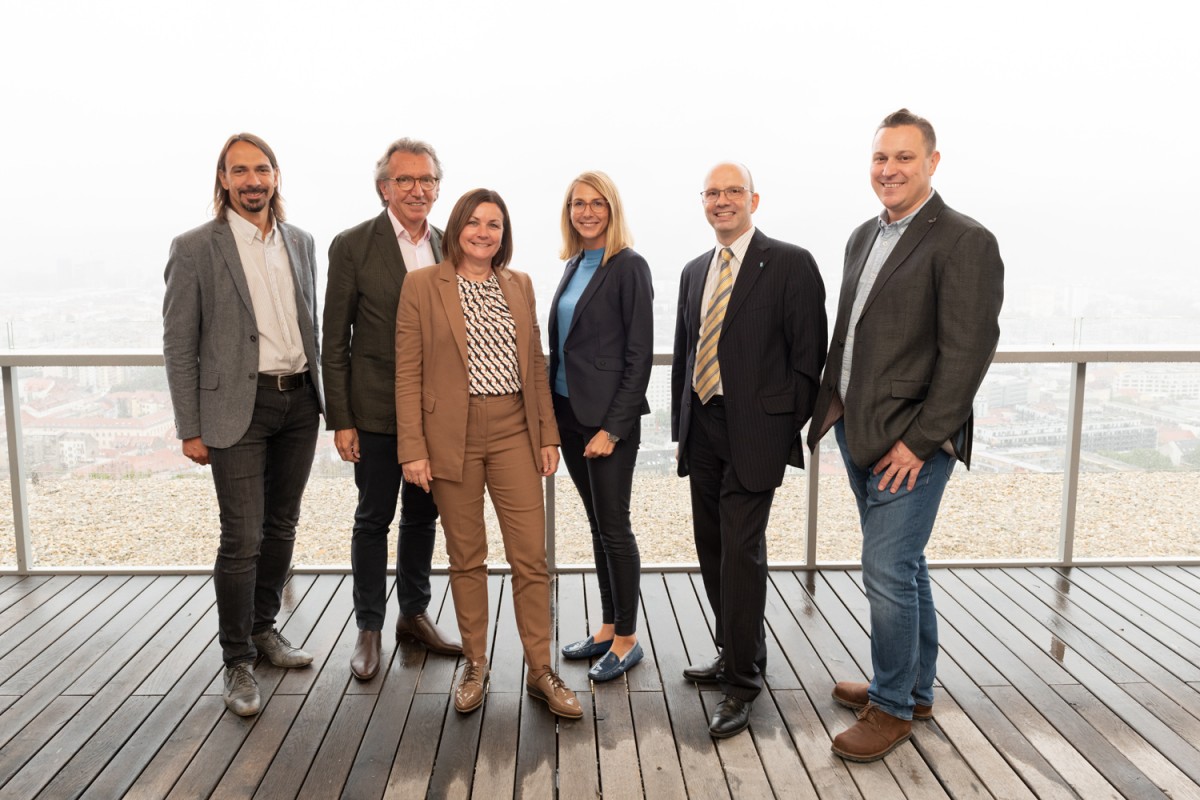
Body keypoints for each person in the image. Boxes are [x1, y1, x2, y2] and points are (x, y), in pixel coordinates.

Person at [808, 109, 1004, 762]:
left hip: (913, 443)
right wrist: (833, 411)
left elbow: (967, 355)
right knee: (906, 565)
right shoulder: (863, 235)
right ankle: (913, 689)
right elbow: (851, 332)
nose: (888, 170)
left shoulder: (965, 240)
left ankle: (890, 709)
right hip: (858, 430)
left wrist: (919, 443)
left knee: (887, 568)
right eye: (880, 158)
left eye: (903, 158)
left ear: (932, 163)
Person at [395, 188, 581, 719]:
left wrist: (547, 435)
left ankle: (540, 669)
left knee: (531, 557)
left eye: (494, 224)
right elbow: (406, 372)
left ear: (504, 234)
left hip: (513, 429)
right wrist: (413, 449)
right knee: (466, 556)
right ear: (456, 228)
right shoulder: (421, 285)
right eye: (474, 222)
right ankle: (475, 664)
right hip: (448, 435)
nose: (483, 232)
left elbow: (536, 364)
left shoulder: (519, 284)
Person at [163, 133, 322, 716]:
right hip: (237, 409)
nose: (252, 180)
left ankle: (262, 629)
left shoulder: (300, 241)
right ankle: (236, 661)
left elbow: (310, 324)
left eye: (261, 169)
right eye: (240, 171)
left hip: (299, 401)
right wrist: (190, 426)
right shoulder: (194, 247)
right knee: (242, 536)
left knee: (282, 526)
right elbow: (179, 344)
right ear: (223, 179)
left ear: (276, 176)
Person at [672, 163, 827, 738]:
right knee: (712, 548)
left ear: (753, 199)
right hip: (703, 426)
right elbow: (687, 352)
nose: (722, 200)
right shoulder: (695, 271)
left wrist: (781, 427)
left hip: (755, 433)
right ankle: (735, 651)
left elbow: (809, 359)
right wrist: (684, 427)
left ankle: (740, 685)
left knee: (740, 552)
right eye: (712, 193)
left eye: (733, 191)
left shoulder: (789, 263)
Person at [323, 138, 461, 681]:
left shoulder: (451, 244)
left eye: (427, 180)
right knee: (373, 518)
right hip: (376, 411)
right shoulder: (352, 245)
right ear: (384, 188)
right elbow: (334, 340)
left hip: (433, 413)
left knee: (423, 517)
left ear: (437, 188)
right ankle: (369, 626)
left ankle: (414, 614)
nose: (417, 189)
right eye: (405, 179)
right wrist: (341, 419)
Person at [548, 172, 653, 682]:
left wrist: (612, 429)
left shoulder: (629, 266)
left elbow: (639, 356)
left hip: (607, 422)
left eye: (597, 203)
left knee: (614, 527)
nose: (586, 212)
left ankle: (628, 639)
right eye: (577, 203)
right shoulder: (573, 264)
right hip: (569, 414)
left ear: (612, 209)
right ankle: (609, 626)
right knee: (596, 525)